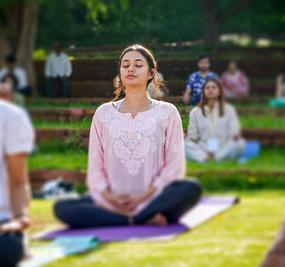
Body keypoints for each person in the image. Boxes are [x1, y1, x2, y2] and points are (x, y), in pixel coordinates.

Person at [54, 44, 202, 228]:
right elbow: (95, 166)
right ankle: (137, 219)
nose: (130, 68)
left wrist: (144, 196)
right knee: (63, 208)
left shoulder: (167, 112)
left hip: (155, 199)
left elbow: (174, 165)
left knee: (191, 188)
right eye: (125, 65)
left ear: (151, 73)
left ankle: (137, 215)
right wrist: (110, 197)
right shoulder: (103, 113)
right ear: (120, 72)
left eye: (138, 64)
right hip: (112, 202)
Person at [0, 95, 35, 267]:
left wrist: (20, 217)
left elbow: (18, 182)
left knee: (8, 248)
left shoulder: (11, 116)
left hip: (2, 224)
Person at [185, 79, 245, 163]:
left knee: (240, 143)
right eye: (207, 88)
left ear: (219, 92)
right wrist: (187, 138)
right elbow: (193, 136)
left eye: (213, 87)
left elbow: (234, 131)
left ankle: (215, 158)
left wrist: (235, 135)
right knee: (184, 144)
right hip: (203, 147)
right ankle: (205, 158)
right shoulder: (195, 112)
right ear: (204, 92)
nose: (210, 89)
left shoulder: (229, 109)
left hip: (223, 147)